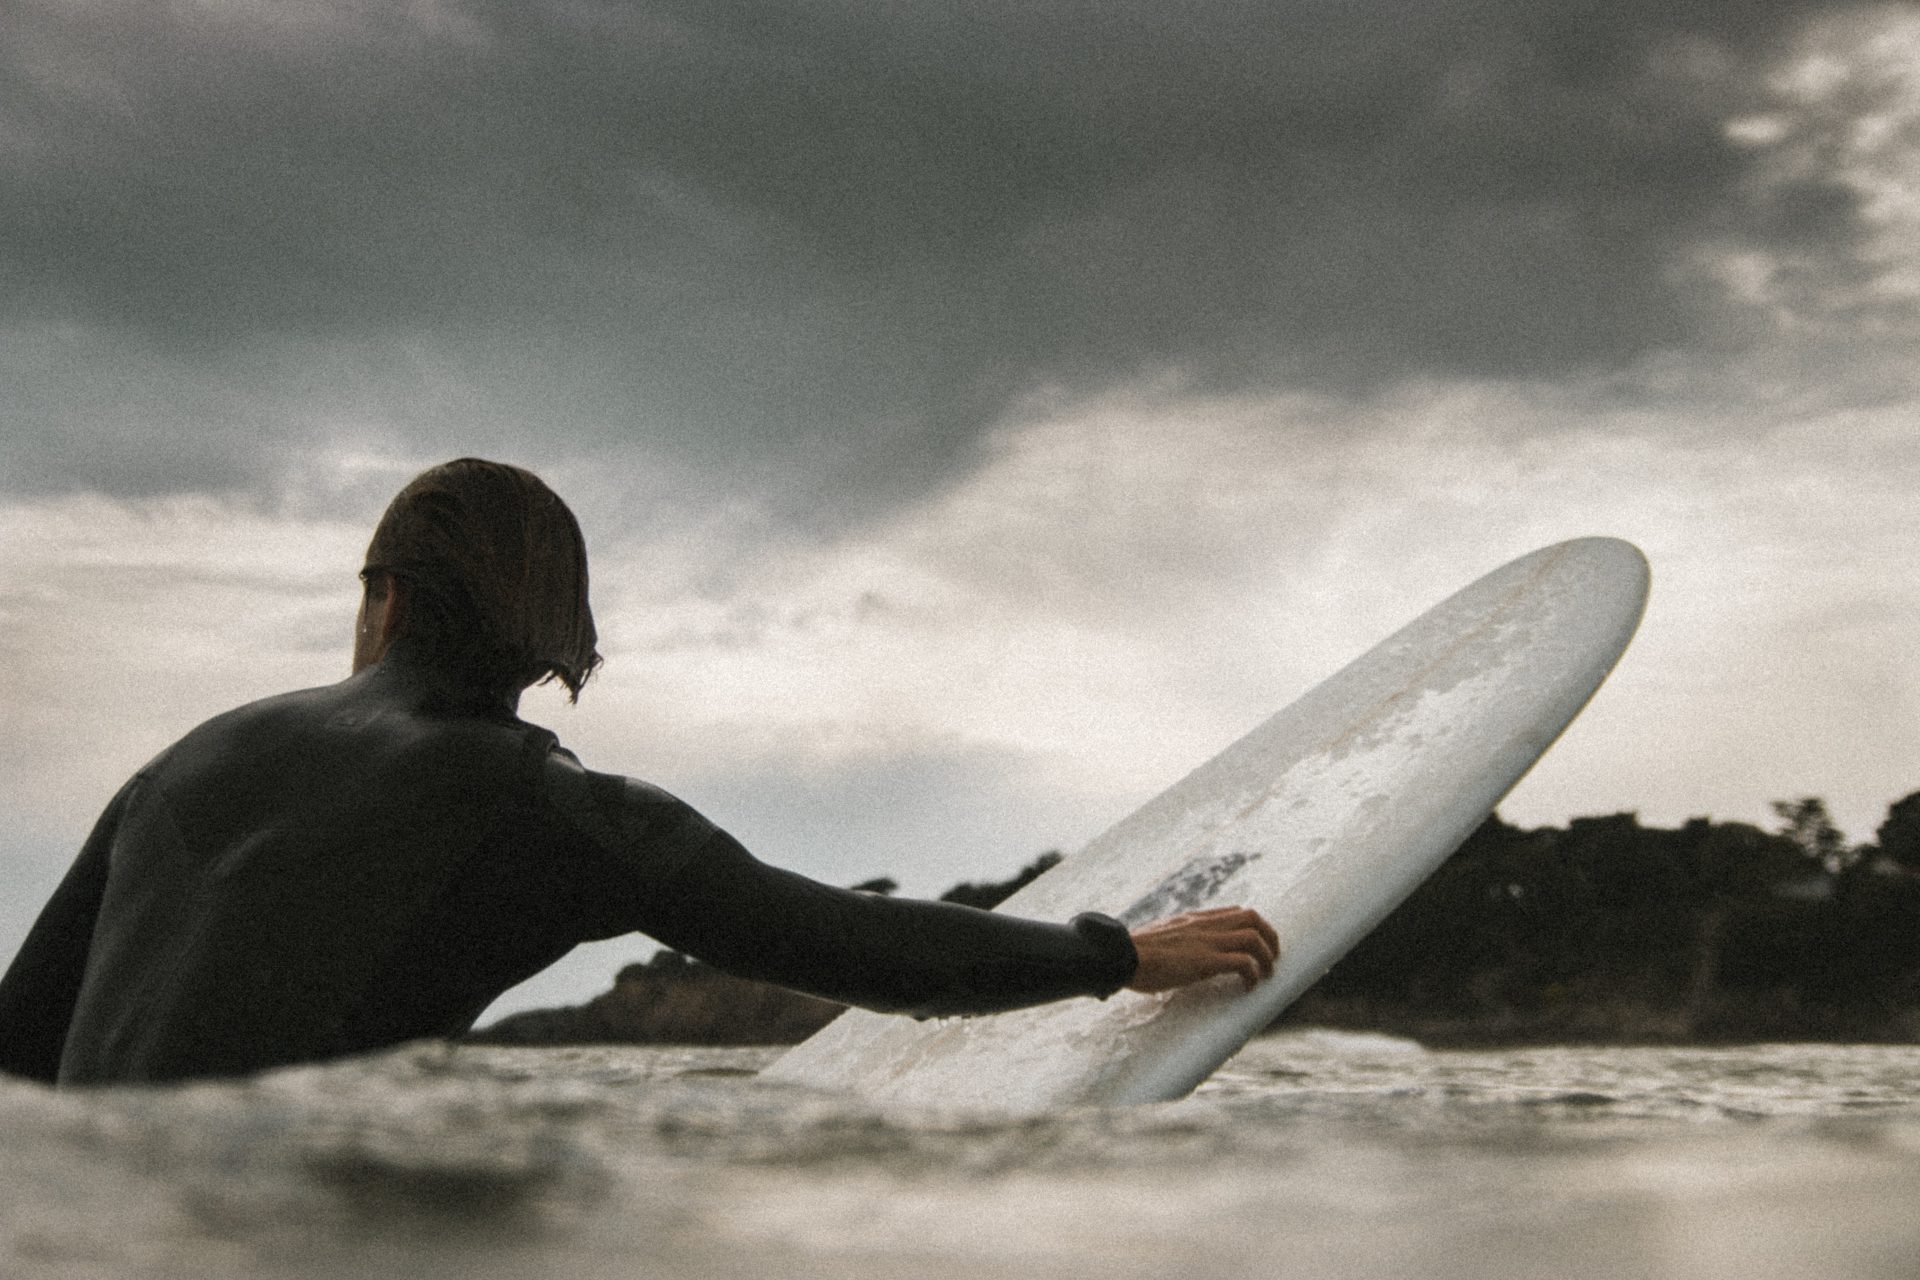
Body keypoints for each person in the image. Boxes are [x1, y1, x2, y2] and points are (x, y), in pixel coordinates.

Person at [0, 459, 1279, 1086]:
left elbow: (15, 1052)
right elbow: (864, 949)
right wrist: (1115, 953)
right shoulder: (561, 813)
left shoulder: (186, 758)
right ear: (554, 637)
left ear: (383, 600)